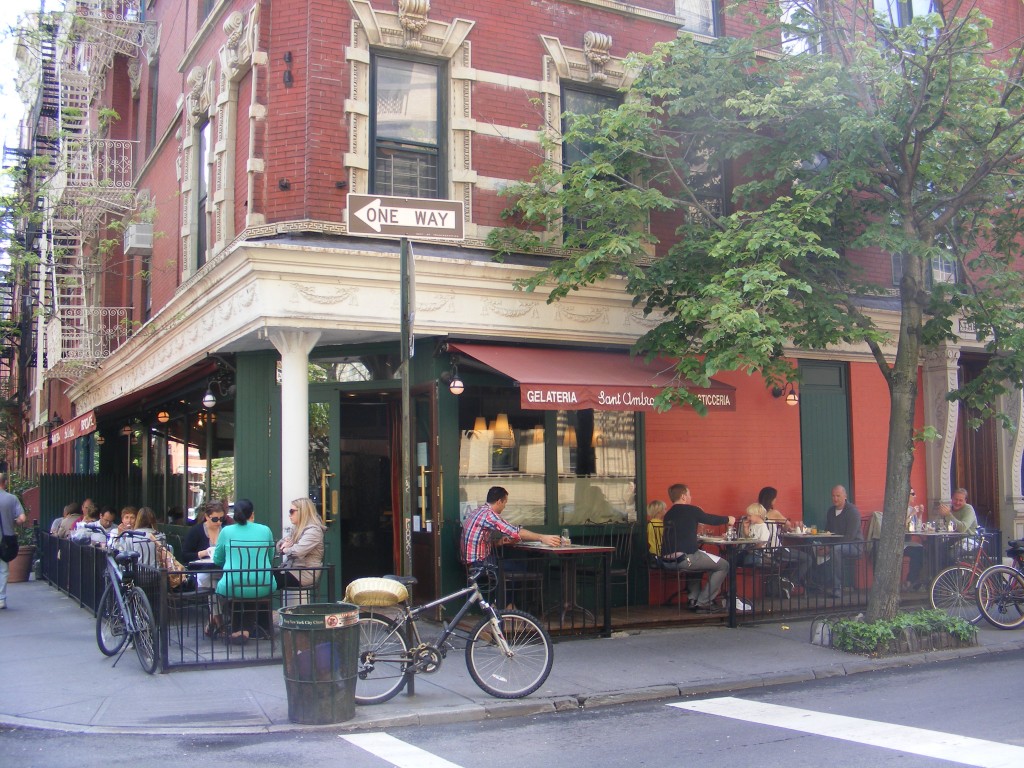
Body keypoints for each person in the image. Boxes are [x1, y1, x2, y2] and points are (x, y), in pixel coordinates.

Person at [659, 483, 735, 612]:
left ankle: (693, 599)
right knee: (724, 565)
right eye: (689, 494)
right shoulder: (691, 510)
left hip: (666, 560)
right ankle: (703, 602)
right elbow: (709, 519)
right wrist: (728, 519)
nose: (690, 496)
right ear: (683, 496)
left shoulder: (668, 514)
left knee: (700, 561)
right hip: (685, 559)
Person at [212, 498, 275, 644]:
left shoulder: (226, 531)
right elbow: (271, 557)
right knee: (251, 589)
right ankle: (245, 629)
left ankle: (236, 629)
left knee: (232, 589)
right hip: (263, 583)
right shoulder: (265, 530)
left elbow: (217, 559)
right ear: (252, 514)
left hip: (232, 583)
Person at [460, 486, 561, 567]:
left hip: (469, 561)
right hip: (478, 563)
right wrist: (542, 537)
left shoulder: (478, 511)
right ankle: (508, 593)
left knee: (512, 563)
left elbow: (477, 541)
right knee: (520, 566)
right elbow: (514, 532)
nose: (505, 506)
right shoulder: (489, 515)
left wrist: (498, 543)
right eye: (505, 503)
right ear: (499, 501)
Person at [757, 486, 811, 592]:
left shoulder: (755, 513)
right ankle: (790, 584)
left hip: (759, 551)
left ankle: (783, 580)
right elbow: (788, 526)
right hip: (775, 550)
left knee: (795, 559)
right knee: (807, 558)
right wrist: (794, 528)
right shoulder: (774, 513)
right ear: (771, 500)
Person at [814, 485, 862, 598]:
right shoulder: (831, 511)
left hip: (854, 545)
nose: (835, 498)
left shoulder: (852, 511)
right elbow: (827, 532)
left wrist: (829, 547)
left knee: (836, 550)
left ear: (845, 496)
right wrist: (824, 546)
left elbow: (850, 536)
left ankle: (837, 588)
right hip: (835, 545)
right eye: (833, 496)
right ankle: (818, 584)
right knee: (814, 548)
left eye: (838, 496)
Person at [275, 497, 326, 589]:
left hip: (305, 573)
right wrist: (283, 545)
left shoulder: (314, 531)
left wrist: (286, 549)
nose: (289, 515)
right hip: (292, 569)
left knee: (267, 580)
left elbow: (298, 551)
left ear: (303, 511)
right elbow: (282, 544)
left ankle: (256, 603)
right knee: (263, 576)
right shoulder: (297, 528)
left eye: (292, 511)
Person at [0, 472, 27, 610]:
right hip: (5, 539)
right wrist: (14, 521)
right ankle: (1, 598)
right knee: (3, 569)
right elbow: (22, 518)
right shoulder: (11, 499)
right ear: (5, 483)